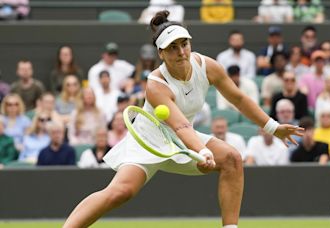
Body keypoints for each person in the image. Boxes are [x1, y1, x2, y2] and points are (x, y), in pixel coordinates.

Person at [63, 10, 302, 228]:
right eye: (172, 48)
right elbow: (181, 125)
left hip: (180, 140)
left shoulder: (207, 66)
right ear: (161, 53)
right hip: (150, 139)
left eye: (184, 44)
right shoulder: (156, 85)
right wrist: (203, 151)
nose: (180, 52)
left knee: (232, 159)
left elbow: (238, 99)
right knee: (120, 193)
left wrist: (273, 127)